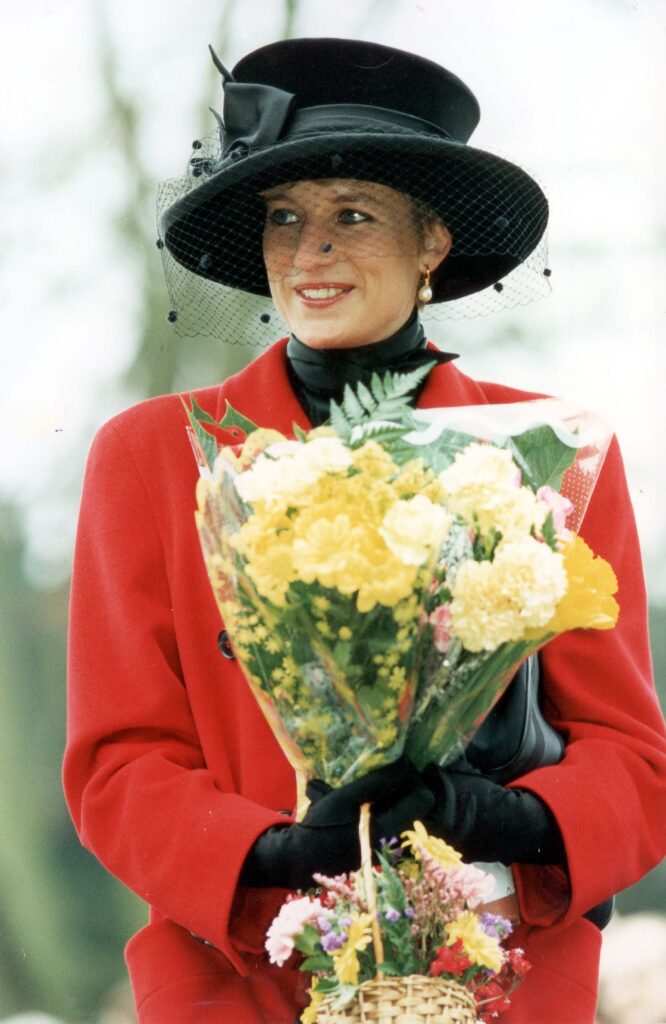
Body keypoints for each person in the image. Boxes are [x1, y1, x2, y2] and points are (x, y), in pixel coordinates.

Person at [63, 38, 666, 1024]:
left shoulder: (555, 454)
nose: (310, 252)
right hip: (239, 979)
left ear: (432, 242)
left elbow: (634, 766)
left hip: (493, 976)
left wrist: (497, 816)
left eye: (352, 216)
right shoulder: (148, 456)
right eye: (285, 218)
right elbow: (116, 762)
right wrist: (276, 849)